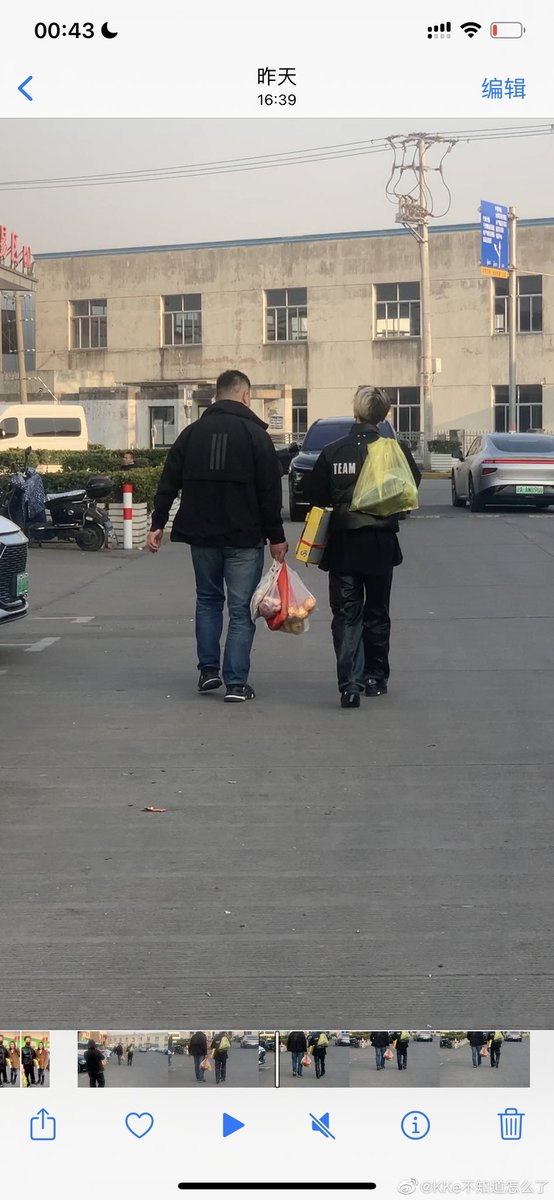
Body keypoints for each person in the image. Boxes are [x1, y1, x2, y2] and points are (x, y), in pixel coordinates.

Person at [147, 370, 288, 703]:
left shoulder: (191, 434)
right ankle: (236, 684)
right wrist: (276, 537)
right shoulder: (256, 436)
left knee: (208, 601)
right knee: (241, 609)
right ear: (245, 396)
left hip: (202, 536)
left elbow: (168, 480)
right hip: (244, 537)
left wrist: (158, 522)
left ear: (217, 395)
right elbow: (270, 492)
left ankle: (208, 671)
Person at [309, 386, 421, 708]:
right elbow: (410, 487)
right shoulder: (395, 451)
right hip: (381, 544)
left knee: (347, 614)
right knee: (377, 612)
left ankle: (350, 685)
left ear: (356, 412)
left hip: (343, 544)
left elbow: (317, 496)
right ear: (384, 415)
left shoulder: (333, 452)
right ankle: (375, 677)